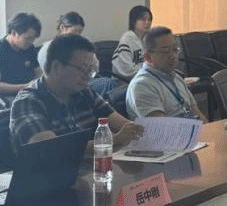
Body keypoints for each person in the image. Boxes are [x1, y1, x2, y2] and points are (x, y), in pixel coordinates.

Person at [10, 33, 143, 154]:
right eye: (82, 69)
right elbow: (52, 150)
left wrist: (136, 131)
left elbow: (124, 125)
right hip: (50, 172)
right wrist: (114, 139)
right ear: (56, 66)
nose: (88, 77)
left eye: (91, 70)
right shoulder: (28, 101)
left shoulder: (84, 91)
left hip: (90, 168)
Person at [125, 26, 207, 121]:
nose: (173, 56)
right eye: (165, 51)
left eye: (175, 49)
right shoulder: (142, 85)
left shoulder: (176, 78)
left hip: (192, 128)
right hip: (172, 130)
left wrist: (208, 128)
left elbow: (198, 115)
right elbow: (162, 127)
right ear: (148, 57)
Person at [0, 12, 42, 101]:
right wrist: (25, 86)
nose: (31, 42)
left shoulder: (29, 48)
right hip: (6, 97)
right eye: (27, 38)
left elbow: (38, 71)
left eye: (33, 39)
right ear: (14, 33)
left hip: (29, 93)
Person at [112, 5, 152, 80]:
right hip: (123, 81)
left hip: (142, 78)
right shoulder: (127, 39)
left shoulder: (148, 39)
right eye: (143, 19)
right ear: (134, 21)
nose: (147, 23)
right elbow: (126, 70)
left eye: (149, 20)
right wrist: (149, 73)